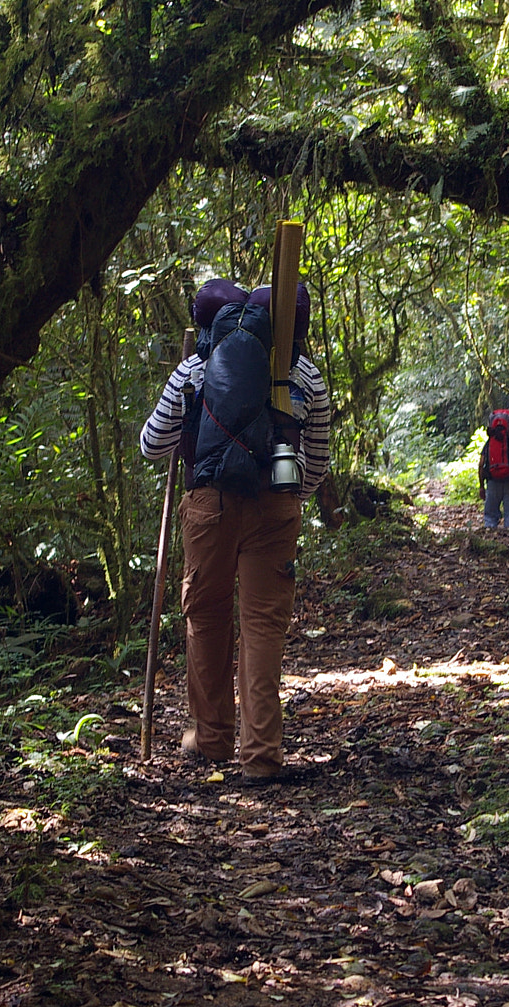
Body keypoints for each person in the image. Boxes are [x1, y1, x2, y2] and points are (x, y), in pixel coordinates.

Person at [140, 279, 331, 784]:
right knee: (263, 625)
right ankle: (262, 754)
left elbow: (151, 444)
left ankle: (211, 737)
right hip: (276, 506)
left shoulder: (196, 367)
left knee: (206, 617)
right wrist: (288, 500)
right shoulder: (305, 375)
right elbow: (317, 466)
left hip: (209, 505)